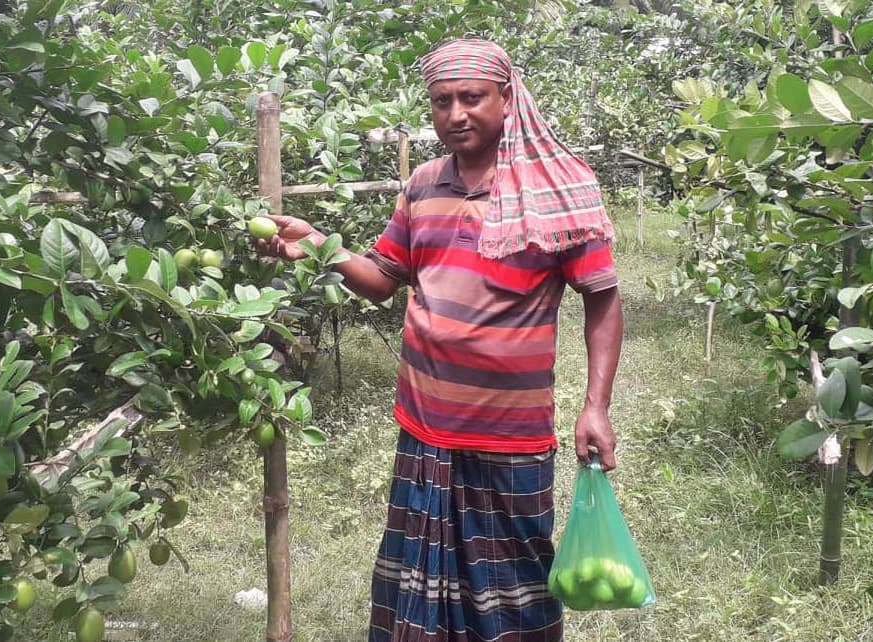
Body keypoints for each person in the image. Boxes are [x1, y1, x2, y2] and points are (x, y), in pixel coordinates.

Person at [257, 38, 623, 642]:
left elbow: (603, 299)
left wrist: (596, 406)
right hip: (425, 427)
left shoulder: (559, 188)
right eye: (441, 101)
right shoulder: (423, 185)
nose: (456, 114)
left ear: (507, 99)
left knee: (512, 592)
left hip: (510, 434)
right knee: (418, 592)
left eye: (472, 98)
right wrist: (319, 244)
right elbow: (382, 280)